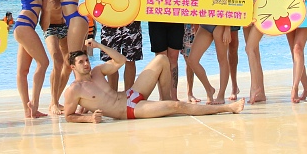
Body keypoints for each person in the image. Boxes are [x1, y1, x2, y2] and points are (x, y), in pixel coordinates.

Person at [63, 39, 244, 122]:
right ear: (73, 67)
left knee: (162, 59)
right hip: (128, 110)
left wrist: (98, 45)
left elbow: (120, 61)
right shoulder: (74, 90)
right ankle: (228, 108)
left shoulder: (97, 71)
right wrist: (89, 118)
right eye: (81, 62)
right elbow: (69, 116)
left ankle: (165, 101)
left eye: (86, 60)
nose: (86, 64)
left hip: (130, 94)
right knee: (178, 106)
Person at [140, 0, 194, 100]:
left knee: (173, 59)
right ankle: (163, 97)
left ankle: (173, 96)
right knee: (160, 59)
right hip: (156, 21)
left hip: (176, 20)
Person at [186, 0, 231, 104]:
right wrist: (194, 23)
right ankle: (209, 89)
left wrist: (227, 29)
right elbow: (194, 4)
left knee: (222, 60)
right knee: (192, 60)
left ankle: (221, 95)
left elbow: (228, 7)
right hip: (204, 25)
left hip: (219, 24)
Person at [171, 0, 201, 103]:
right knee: (171, 59)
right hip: (172, 19)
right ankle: (172, 94)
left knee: (189, 58)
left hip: (189, 20)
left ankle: (189, 93)